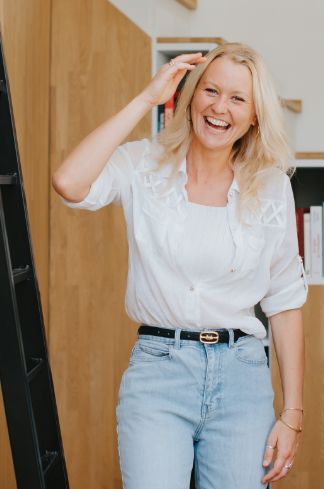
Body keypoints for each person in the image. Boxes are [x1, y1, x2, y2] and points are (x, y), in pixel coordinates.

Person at [52, 42, 307, 489]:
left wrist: (293, 414)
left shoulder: (270, 188)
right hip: (158, 372)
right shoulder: (143, 165)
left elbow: (284, 302)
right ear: (189, 98)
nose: (219, 107)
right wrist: (146, 98)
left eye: (237, 98)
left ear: (254, 116)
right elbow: (69, 182)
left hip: (242, 377)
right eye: (210, 90)